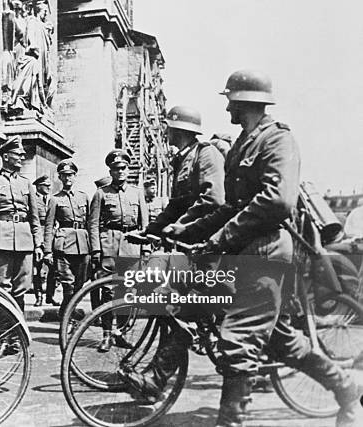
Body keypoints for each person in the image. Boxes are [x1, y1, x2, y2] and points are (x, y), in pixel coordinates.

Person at [176, 70, 362, 426]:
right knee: (282, 343)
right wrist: (191, 232)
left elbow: (278, 202)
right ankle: (347, 389)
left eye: (229, 99)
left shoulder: (277, 141)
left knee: (238, 342)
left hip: (265, 252)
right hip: (245, 252)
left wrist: (220, 239)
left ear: (242, 101)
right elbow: (231, 208)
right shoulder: (241, 145)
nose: (227, 106)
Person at [120, 105, 226, 401]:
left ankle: (158, 378)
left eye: (169, 127)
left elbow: (213, 200)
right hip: (192, 244)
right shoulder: (183, 159)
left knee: (185, 309)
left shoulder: (206, 154)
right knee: (177, 307)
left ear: (180, 130)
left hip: (211, 242)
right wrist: (151, 230)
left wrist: (180, 227)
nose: (165, 130)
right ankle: (158, 377)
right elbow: (176, 206)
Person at [0, 136, 43, 359]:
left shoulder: (26, 185)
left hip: (24, 240)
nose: (22, 157)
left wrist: (39, 244)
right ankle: (3, 340)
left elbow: (35, 218)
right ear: (6, 156)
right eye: (18, 154)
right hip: (1, 240)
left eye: (23, 154)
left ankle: (18, 340)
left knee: (21, 291)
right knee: (1, 291)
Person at [88, 149, 149, 352]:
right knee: (107, 291)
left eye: (123, 168)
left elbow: (145, 223)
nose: (120, 171)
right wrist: (96, 249)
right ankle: (106, 335)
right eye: (116, 169)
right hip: (109, 245)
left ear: (128, 170)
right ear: (111, 171)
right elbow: (93, 224)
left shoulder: (137, 193)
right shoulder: (101, 194)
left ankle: (120, 333)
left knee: (126, 292)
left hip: (132, 245)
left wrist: (146, 249)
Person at [43, 160, 90, 324]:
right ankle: (67, 319)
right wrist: (47, 251)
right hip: (63, 246)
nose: (67, 178)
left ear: (75, 176)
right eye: (64, 175)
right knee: (68, 286)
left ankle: (66, 313)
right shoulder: (55, 199)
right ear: (60, 178)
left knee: (79, 286)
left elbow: (91, 223)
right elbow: (49, 226)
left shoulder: (84, 197)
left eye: (70, 175)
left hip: (83, 245)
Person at [32, 174, 51, 306]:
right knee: (37, 269)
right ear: (39, 186)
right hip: (37, 234)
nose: (49, 188)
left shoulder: (51, 199)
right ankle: (39, 297)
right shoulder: (33, 199)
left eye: (49, 186)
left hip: (50, 235)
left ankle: (50, 295)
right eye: (46, 186)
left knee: (53, 268)